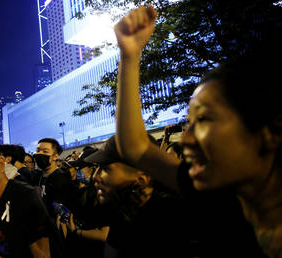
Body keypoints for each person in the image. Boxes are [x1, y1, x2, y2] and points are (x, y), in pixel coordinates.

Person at [113, 5, 279, 256]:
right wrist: (129, 55)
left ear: (269, 132)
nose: (187, 139)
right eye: (188, 123)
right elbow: (136, 147)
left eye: (204, 119)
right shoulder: (219, 199)